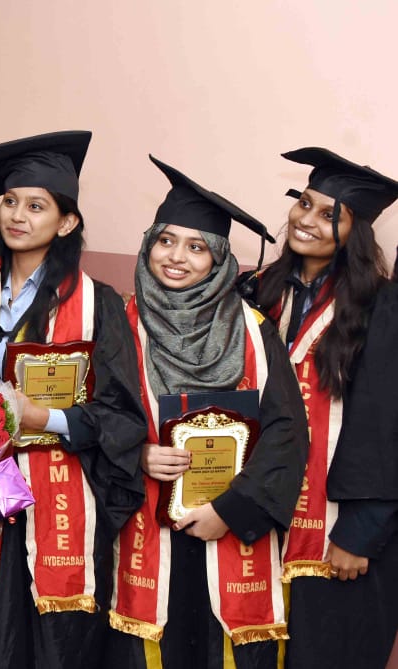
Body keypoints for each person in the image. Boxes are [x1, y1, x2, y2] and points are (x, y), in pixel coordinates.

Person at [104, 156, 308, 669]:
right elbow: (97, 414)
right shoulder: (118, 323)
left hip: (230, 526)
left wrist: (231, 511)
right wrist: (138, 453)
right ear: (149, 244)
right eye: (165, 241)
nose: (177, 257)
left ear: (218, 260)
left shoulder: (253, 330)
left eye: (197, 247)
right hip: (145, 529)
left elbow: (287, 431)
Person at [0, 131, 147, 669]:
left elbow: (121, 415)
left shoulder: (97, 305)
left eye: (37, 206)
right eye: (11, 203)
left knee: (60, 644)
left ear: (66, 223)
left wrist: (47, 418)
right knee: (0, 638)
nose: (18, 216)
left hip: (69, 495)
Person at [244, 147, 398, 669]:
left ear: (356, 232)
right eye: (303, 203)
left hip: (338, 530)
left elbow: (387, 424)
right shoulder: (260, 292)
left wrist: (361, 531)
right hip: (261, 520)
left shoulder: (382, 307)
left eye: (329, 214)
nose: (306, 220)